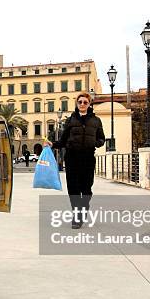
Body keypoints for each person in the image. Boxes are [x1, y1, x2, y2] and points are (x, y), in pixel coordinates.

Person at [44, 92, 105, 229]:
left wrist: (96, 143)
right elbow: (63, 140)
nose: (82, 104)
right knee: (73, 188)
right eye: (80, 102)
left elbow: (102, 138)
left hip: (88, 157)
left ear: (89, 104)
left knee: (86, 188)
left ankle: (84, 207)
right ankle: (77, 216)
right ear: (77, 104)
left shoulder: (96, 121)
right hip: (72, 157)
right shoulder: (71, 120)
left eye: (85, 102)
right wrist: (53, 144)